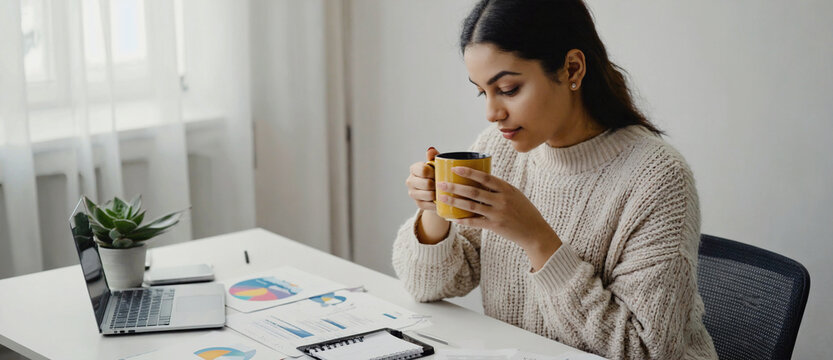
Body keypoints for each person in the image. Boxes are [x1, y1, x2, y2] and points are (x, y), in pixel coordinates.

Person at [392, 1, 718, 359]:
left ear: (572, 69)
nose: (491, 113)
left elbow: (644, 350)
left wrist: (536, 238)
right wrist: (435, 209)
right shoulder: (497, 150)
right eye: (483, 92)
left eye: (508, 89)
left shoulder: (659, 177)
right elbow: (426, 286)